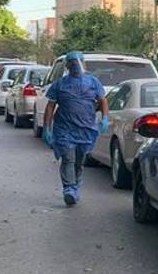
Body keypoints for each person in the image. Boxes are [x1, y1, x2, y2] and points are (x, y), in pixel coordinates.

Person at [42, 51, 110, 206]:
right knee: (68, 158)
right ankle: (69, 189)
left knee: (79, 161)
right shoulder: (60, 84)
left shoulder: (93, 82)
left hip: (86, 129)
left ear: (83, 63)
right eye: (72, 63)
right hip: (64, 129)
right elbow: (50, 106)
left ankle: (76, 187)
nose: (76, 65)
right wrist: (47, 127)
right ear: (67, 65)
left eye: (78, 62)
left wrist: (105, 118)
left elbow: (103, 100)